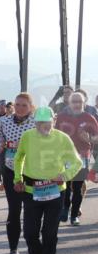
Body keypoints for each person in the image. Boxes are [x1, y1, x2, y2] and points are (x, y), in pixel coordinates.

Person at [13, 107, 82, 254]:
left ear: (54, 120)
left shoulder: (62, 138)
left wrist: (64, 175)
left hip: (55, 192)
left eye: (47, 123)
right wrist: (17, 178)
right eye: (39, 123)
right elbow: (19, 157)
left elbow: (77, 162)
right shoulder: (28, 136)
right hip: (31, 191)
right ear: (34, 122)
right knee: (30, 232)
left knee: (50, 233)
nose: (43, 126)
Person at [0, 93, 36, 254]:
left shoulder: (36, 123)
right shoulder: (3, 121)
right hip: (11, 169)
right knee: (13, 210)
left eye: (24, 105)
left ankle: (33, 250)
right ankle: (13, 252)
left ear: (31, 107)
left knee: (31, 211)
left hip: (32, 171)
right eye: (17, 104)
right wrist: (1, 144)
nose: (20, 108)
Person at [55, 92, 98, 226]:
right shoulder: (61, 117)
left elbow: (96, 138)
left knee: (78, 186)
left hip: (82, 155)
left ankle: (74, 215)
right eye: (74, 101)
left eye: (80, 101)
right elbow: (55, 135)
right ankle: (65, 208)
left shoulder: (89, 117)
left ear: (84, 103)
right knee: (66, 185)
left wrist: (90, 139)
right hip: (65, 155)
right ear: (69, 103)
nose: (77, 104)